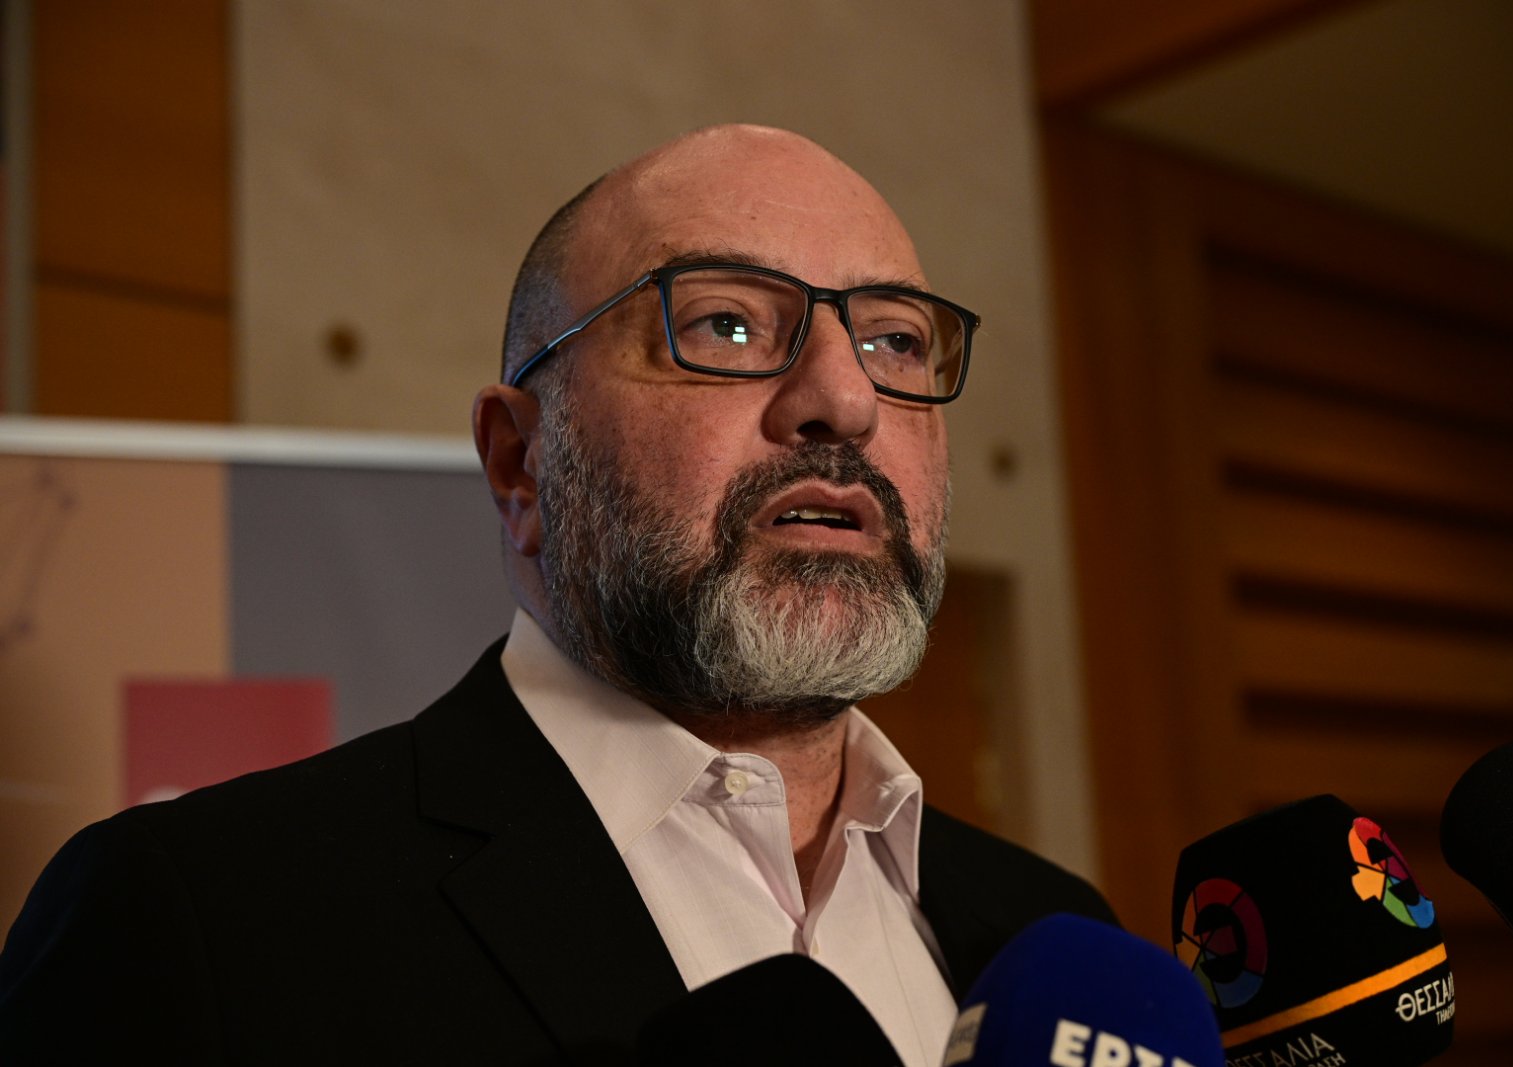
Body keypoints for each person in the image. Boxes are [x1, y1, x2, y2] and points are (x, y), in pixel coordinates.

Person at [0, 125, 1113, 1065]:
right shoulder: (200, 918)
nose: (844, 399)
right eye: (725, 324)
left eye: (894, 340)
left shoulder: (1060, 938)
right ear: (521, 462)